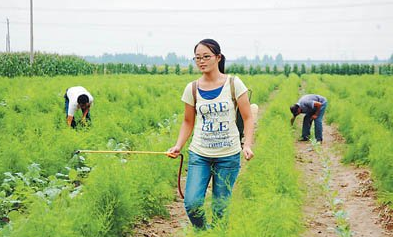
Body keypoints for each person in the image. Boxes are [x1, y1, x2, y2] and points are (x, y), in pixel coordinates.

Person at [167, 39, 254, 230]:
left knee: (220, 209)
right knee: (192, 204)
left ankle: (217, 233)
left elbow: (248, 117)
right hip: (200, 154)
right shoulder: (192, 88)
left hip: (228, 156)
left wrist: (247, 144)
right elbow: (188, 121)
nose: (201, 61)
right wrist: (178, 145)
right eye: (197, 58)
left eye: (206, 56)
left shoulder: (234, 83)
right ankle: (203, 232)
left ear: (218, 57)